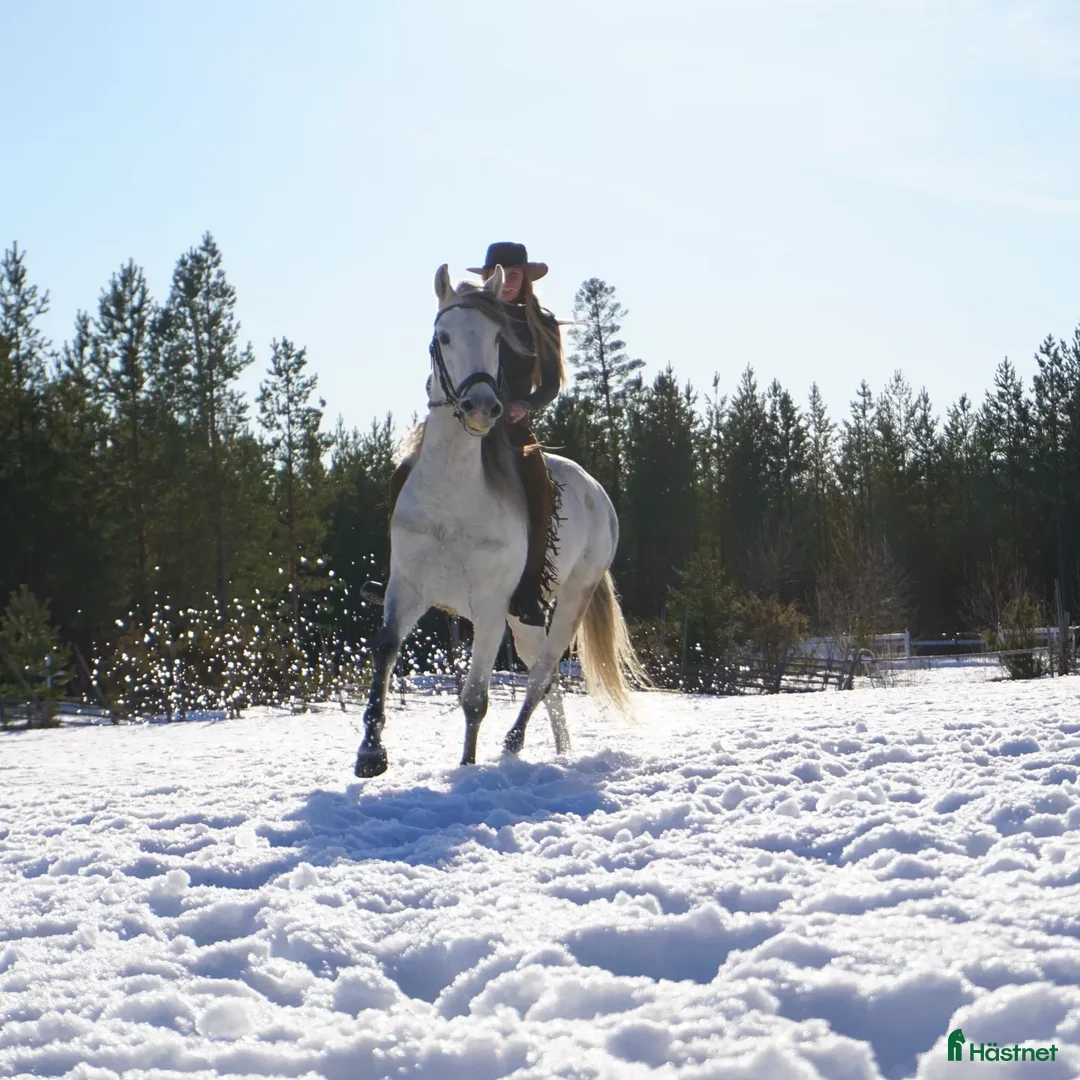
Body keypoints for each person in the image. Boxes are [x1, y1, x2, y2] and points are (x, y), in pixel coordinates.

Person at [374, 243, 565, 628]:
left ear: (525, 279)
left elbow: (550, 383)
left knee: (538, 480)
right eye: (499, 274)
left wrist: (525, 404)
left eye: (514, 275)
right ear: (487, 277)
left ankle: (529, 587)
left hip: (509, 423)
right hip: (459, 416)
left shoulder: (541, 323)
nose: (507, 282)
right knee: (404, 472)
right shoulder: (469, 313)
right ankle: (394, 573)